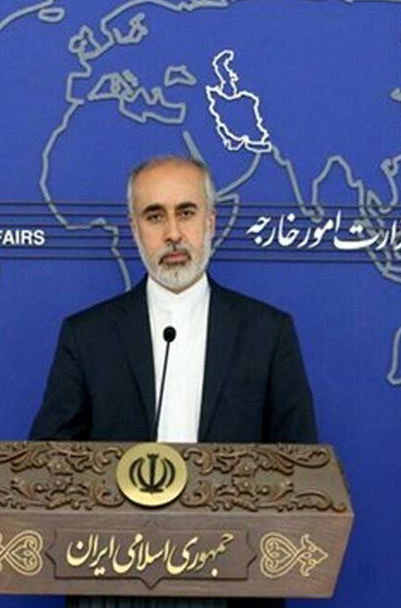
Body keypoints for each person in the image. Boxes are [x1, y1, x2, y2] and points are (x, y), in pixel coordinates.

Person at [30, 155, 318, 447]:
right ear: (134, 229)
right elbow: (48, 457)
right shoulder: (86, 337)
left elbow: (300, 459)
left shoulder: (268, 333)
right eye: (155, 217)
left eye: (186, 213)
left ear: (210, 223)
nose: (173, 234)